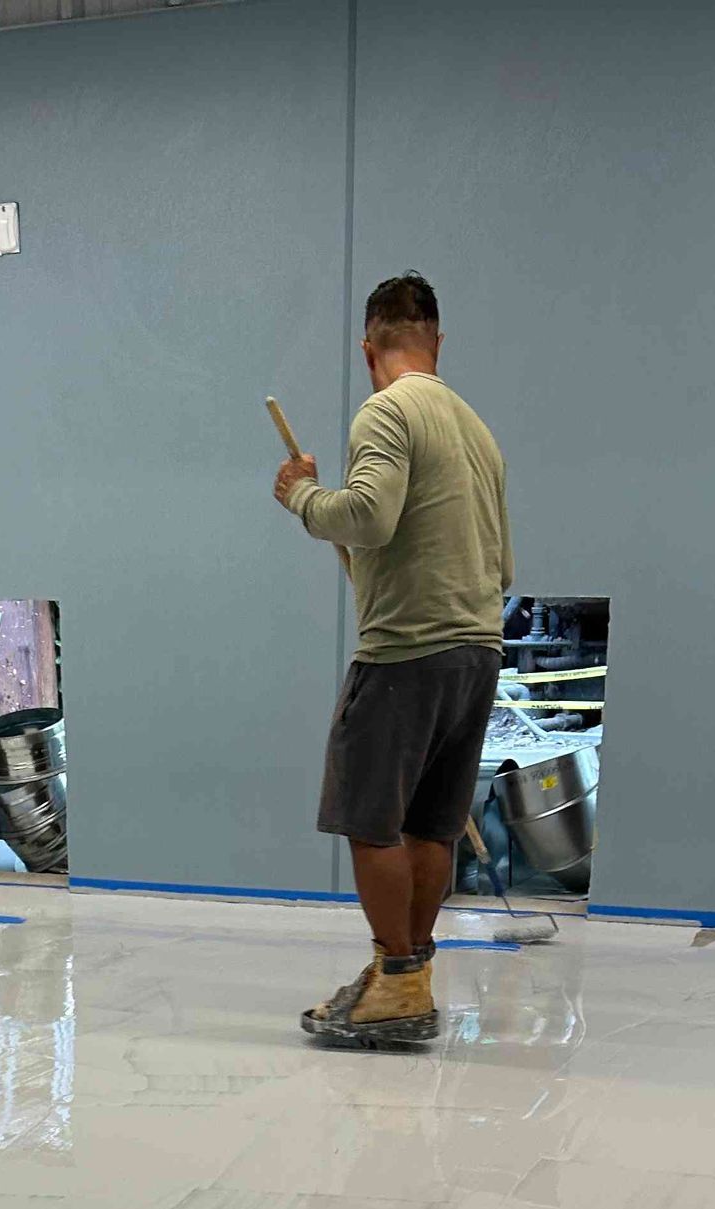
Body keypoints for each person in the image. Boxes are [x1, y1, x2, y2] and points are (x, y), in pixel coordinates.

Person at [274, 271, 512, 1050]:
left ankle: (397, 975)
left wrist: (304, 497)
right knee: (430, 825)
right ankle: (406, 977)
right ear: (437, 342)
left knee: (370, 818)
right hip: (477, 650)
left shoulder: (386, 411)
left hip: (408, 649)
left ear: (367, 347)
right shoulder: (476, 429)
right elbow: (503, 564)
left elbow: (370, 517)